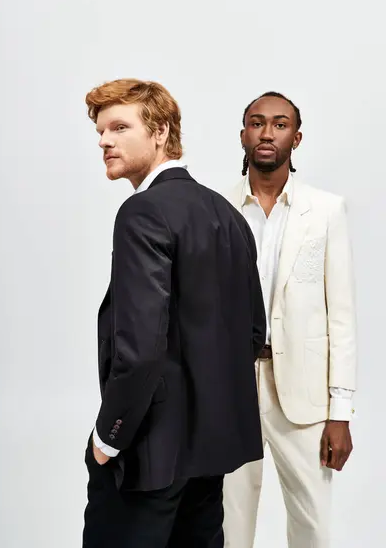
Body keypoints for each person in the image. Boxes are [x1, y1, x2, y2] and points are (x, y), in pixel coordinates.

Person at [82, 78, 266, 548]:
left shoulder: (142, 212)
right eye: (101, 131)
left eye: (119, 127)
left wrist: (109, 437)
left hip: (148, 455)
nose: (104, 140)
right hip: (210, 454)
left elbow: (141, 350)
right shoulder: (229, 214)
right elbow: (252, 332)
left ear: (160, 131)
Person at [222, 92, 357, 548]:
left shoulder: (325, 210)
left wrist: (340, 413)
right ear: (243, 134)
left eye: (279, 124)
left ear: (295, 138)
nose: (267, 132)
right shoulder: (217, 208)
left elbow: (341, 318)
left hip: (303, 395)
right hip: (231, 388)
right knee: (229, 517)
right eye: (257, 123)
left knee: (311, 522)